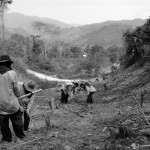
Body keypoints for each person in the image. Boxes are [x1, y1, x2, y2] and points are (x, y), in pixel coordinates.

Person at [0, 55, 25, 143]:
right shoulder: (12, 73)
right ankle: (19, 137)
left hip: (1, 105)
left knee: (3, 124)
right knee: (17, 120)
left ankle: (7, 139)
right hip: (12, 104)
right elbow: (16, 89)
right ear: (8, 63)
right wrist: (19, 98)